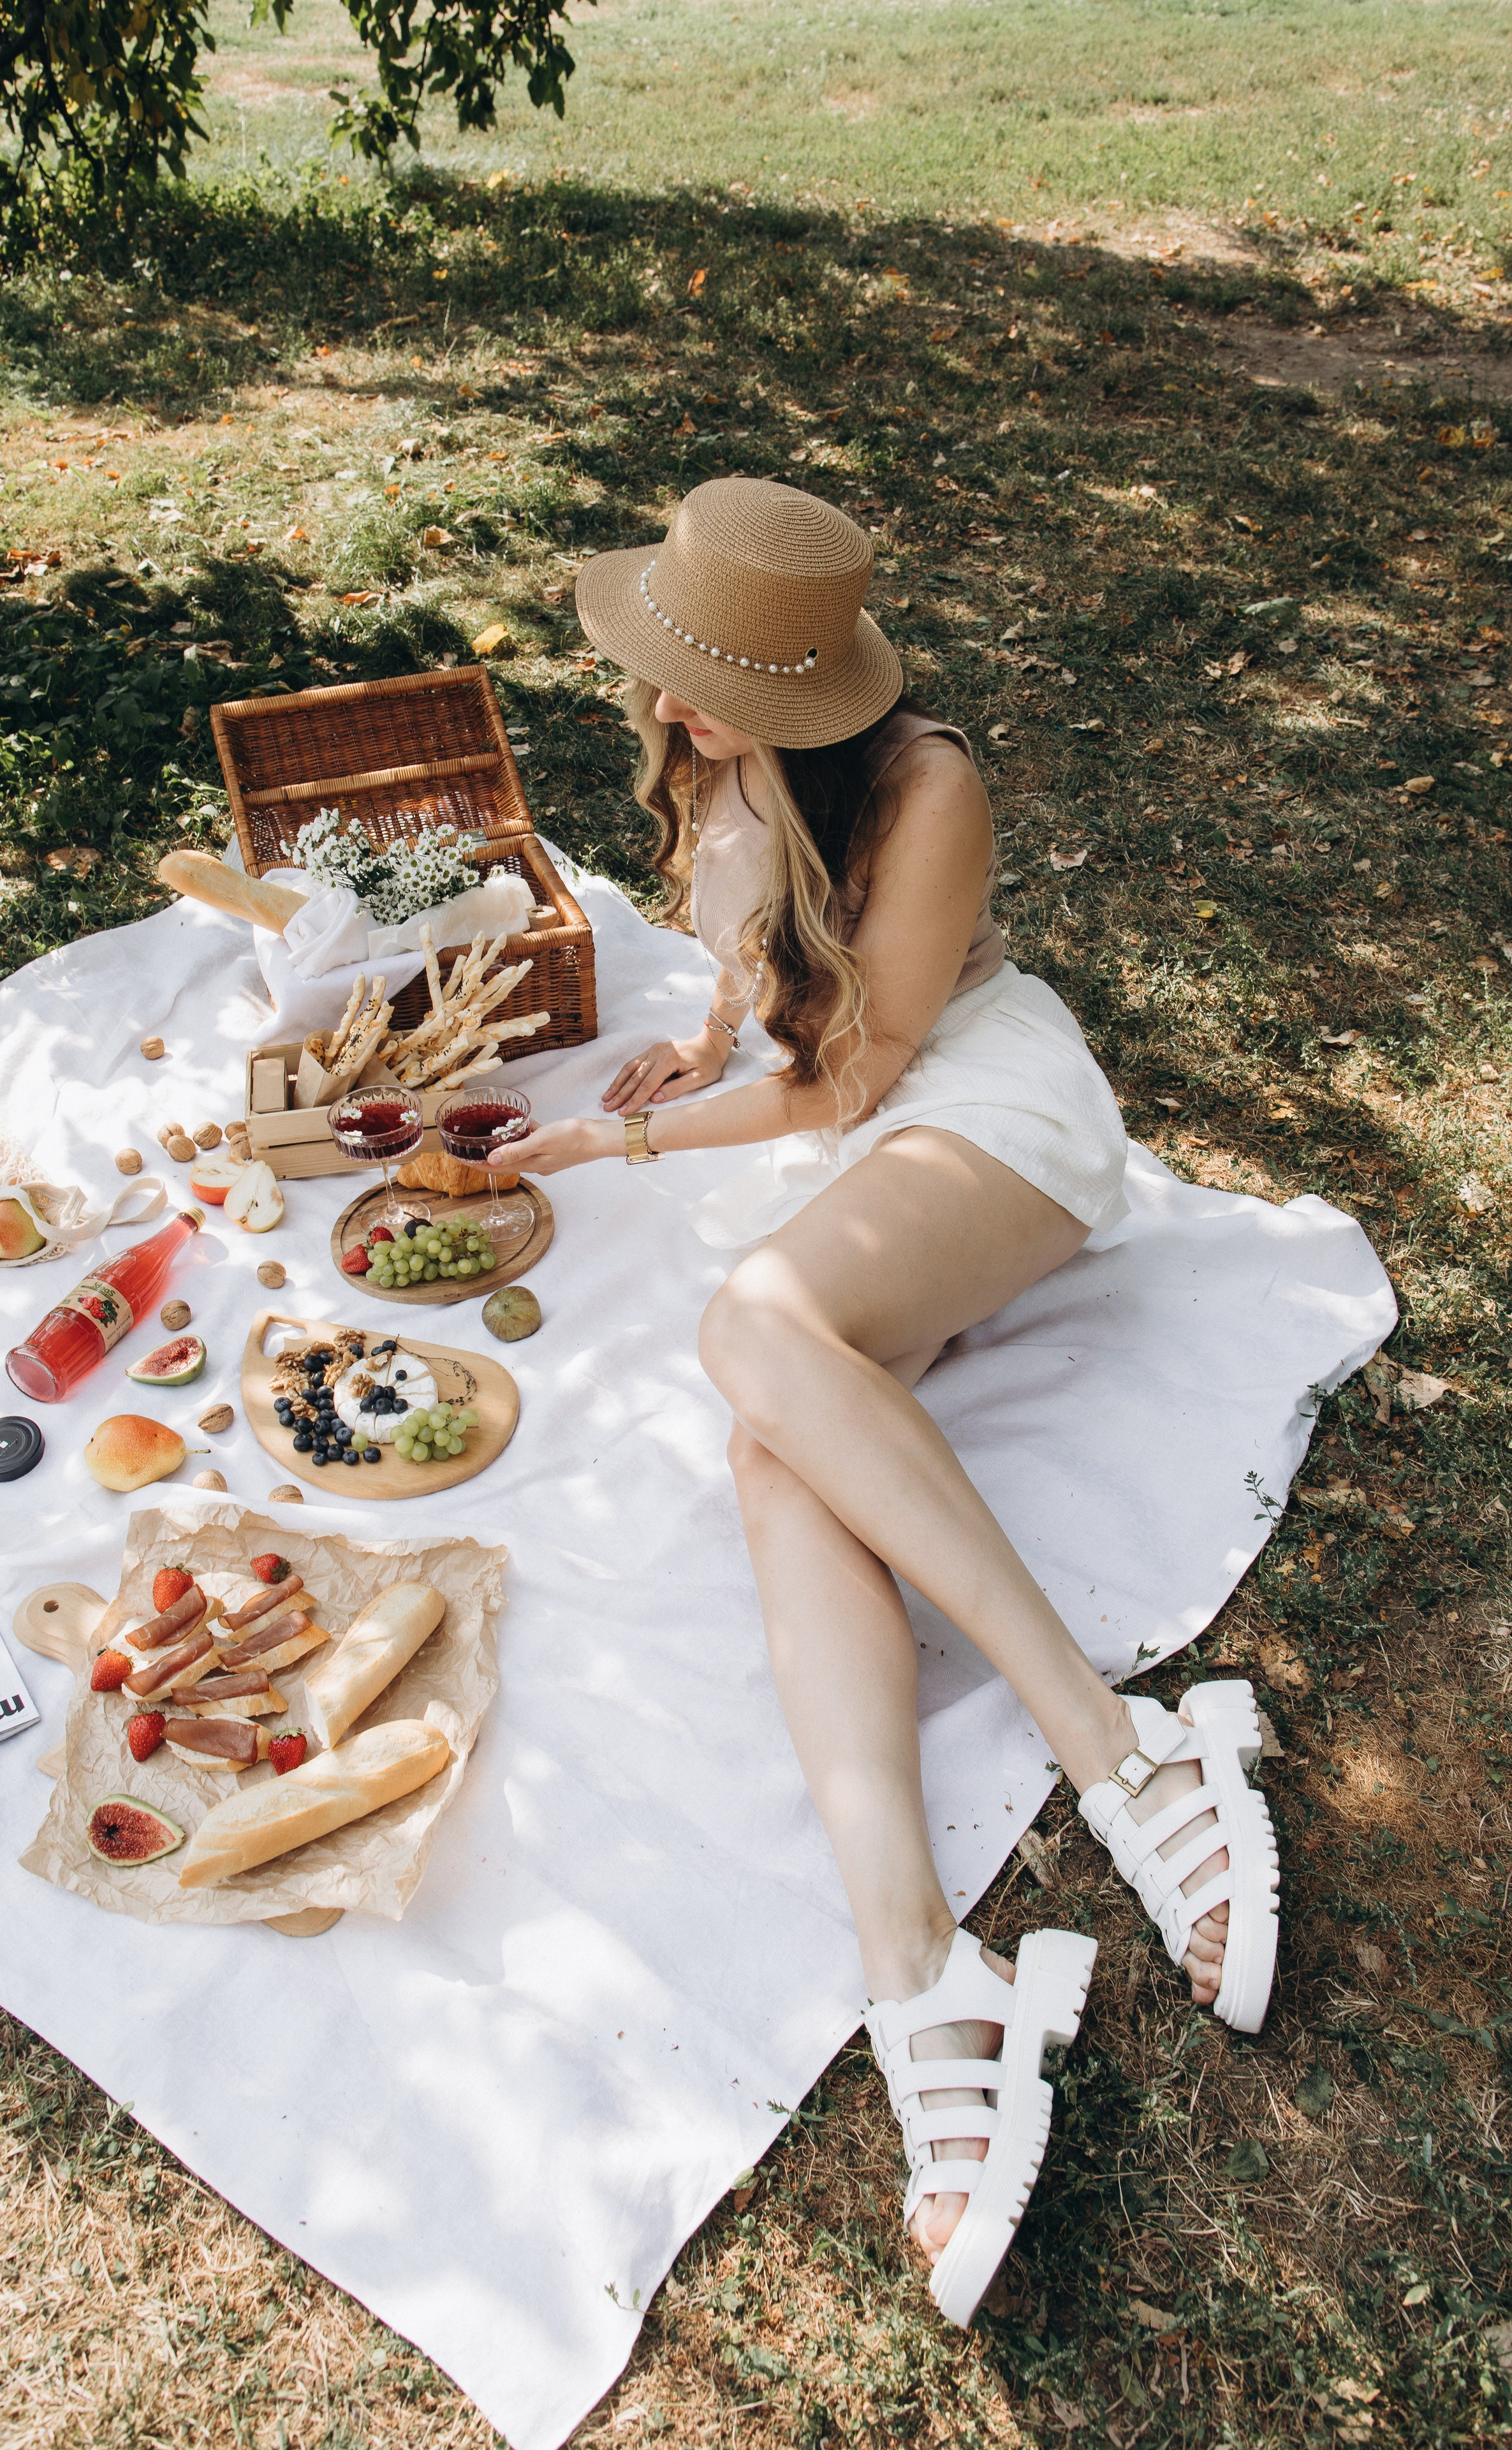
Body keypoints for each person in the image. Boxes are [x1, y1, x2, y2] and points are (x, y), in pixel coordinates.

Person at [513, 479, 1280, 2325]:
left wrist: (621, 1143)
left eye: (705, 691)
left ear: (798, 692)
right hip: (833, 1112)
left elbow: (856, 1079)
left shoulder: (928, 785)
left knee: (753, 1331)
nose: (668, 708)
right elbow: (749, 955)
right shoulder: (696, 747)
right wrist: (700, 1036)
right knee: (775, 1440)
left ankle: (1118, 1747)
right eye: (667, 670)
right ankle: (918, 1963)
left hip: (972, 1104)